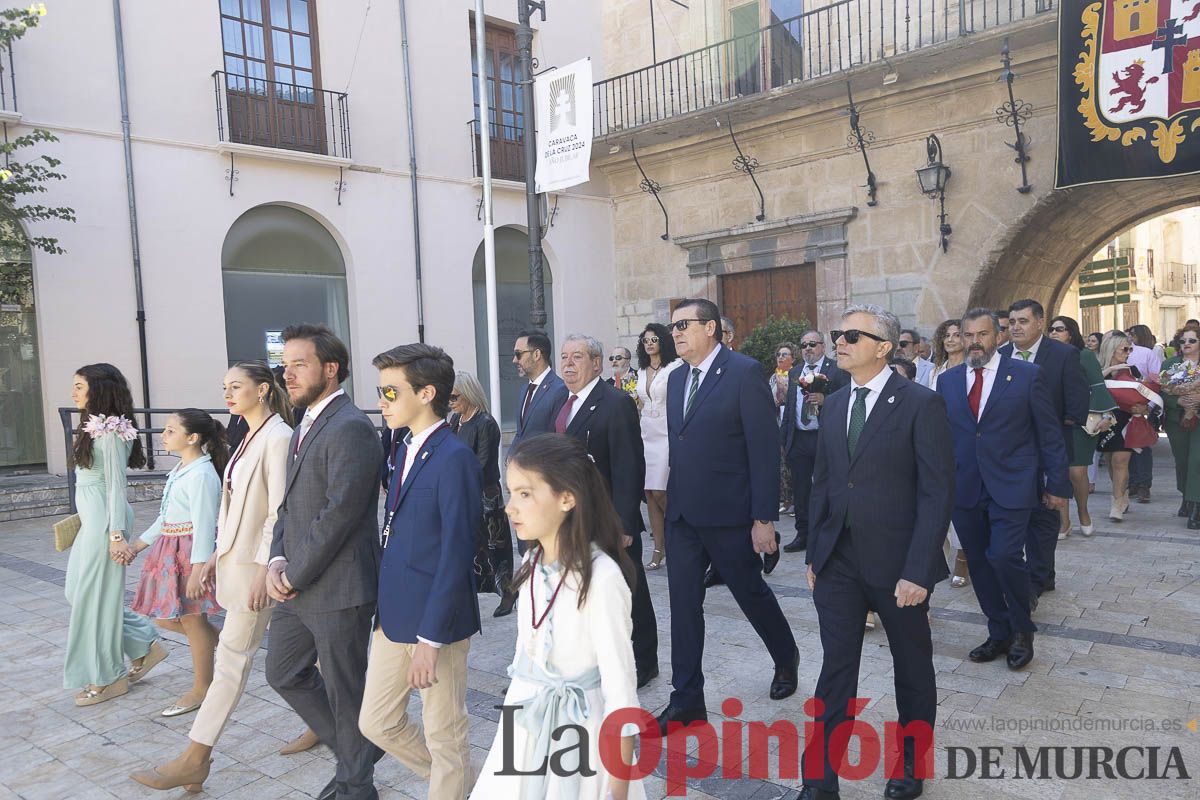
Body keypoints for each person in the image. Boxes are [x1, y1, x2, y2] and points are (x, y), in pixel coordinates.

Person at [801, 305, 954, 800]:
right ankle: (819, 781)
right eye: (836, 334)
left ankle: (911, 764)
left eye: (851, 335)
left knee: (911, 667)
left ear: (884, 347)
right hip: (839, 562)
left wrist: (918, 571)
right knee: (836, 670)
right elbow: (823, 483)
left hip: (899, 566)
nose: (838, 342)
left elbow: (936, 493)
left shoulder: (918, 403)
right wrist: (815, 555)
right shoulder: (835, 404)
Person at [130, 362, 294, 793]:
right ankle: (326, 726)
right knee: (298, 663)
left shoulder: (278, 436)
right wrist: (208, 563)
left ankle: (194, 758)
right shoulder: (245, 434)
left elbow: (279, 512)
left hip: (256, 575)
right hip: (233, 567)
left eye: (235, 386)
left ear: (262, 390)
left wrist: (264, 567)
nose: (227, 393)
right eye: (224, 386)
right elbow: (230, 508)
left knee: (232, 665)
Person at [471, 434, 645, 800]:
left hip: (582, 736)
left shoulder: (601, 578)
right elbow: (525, 657)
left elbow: (622, 693)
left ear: (567, 497)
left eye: (525, 494)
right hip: (526, 727)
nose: (509, 507)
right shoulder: (529, 563)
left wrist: (619, 790)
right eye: (510, 493)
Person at [655, 299, 799, 735]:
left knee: (750, 592)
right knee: (683, 606)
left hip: (729, 514)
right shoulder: (677, 378)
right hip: (683, 514)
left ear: (712, 328)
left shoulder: (743, 372)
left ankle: (785, 656)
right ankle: (686, 701)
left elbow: (762, 450)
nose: (675, 333)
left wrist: (763, 518)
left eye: (684, 325)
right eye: (672, 326)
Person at [265, 324, 383, 800]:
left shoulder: (351, 426)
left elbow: (340, 513)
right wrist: (276, 557)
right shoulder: (305, 423)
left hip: (338, 588)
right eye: (285, 365)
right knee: (283, 671)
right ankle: (358, 752)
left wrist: (294, 572)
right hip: (297, 583)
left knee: (345, 691)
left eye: (299, 364)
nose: (287, 374)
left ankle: (357, 787)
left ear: (330, 369)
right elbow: (290, 505)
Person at [359, 344, 481, 800]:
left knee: (445, 737)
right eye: (381, 390)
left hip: (437, 624)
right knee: (376, 721)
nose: (382, 401)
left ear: (427, 393)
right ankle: (468, 782)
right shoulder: (402, 445)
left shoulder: (454, 458)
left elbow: (456, 553)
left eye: (391, 391)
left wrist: (431, 640)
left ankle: (455, 782)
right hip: (393, 616)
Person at [937, 309, 1070, 672]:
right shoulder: (947, 382)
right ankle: (998, 632)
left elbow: (1049, 434)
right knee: (978, 563)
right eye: (968, 335)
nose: (974, 342)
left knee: (1004, 556)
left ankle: (1022, 631)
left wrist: (1057, 485)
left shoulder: (1027, 376)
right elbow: (943, 438)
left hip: (1013, 485)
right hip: (965, 488)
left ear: (998, 337)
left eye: (982, 334)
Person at [557, 334, 659, 688]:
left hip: (610, 519)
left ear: (597, 363)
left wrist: (626, 520)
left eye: (578, 357)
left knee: (630, 590)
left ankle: (645, 660)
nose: (568, 364)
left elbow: (630, 465)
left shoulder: (614, 403)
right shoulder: (562, 402)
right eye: (564, 357)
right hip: (573, 518)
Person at [63, 364, 164, 706]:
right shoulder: (93, 428)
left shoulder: (110, 431)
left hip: (108, 526)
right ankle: (142, 644)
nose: (73, 393)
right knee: (77, 593)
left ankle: (109, 677)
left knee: (93, 601)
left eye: (79, 386)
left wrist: (117, 535)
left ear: (98, 390)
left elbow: (116, 487)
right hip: (93, 524)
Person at [127, 410, 225, 718]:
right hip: (170, 551)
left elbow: (206, 524)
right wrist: (138, 545)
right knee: (167, 618)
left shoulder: (202, 474)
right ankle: (224, 650)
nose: (163, 435)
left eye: (171, 431)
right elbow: (166, 517)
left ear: (192, 438)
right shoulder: (183, 469)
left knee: (192, 619)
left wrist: (198, 570)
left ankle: (202, 687)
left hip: (188, 554)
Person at [1001, 299, 1088, 599]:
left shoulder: (1063, 355)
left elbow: (1077, 401)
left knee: (1045, 513)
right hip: (1009, 455)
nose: (1016, 327)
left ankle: (1038, 576)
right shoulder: (998, 357)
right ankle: (1036, 573)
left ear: (1040, 323)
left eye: (1023, 321)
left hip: (1048, 450)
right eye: (1012, 321)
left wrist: (1055, 430)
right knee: (1015, 514)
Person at [449, 371, 516, 617]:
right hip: (462, 493)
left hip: (485, 496)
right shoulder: (456, 421)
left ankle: (508, 593)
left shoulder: (485, 423)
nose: (451, 402)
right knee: (467, 548)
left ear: (468, 395)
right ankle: (468, 595)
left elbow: (484, 463)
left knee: (495, 548)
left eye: (454, 397)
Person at [1047, 317, 1117, 539]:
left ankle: (1084, 511)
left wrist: (1106, 415)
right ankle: (1064, 522)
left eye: (1060, 329)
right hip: (1054, 420)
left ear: (1071, 332)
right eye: (1051, 329)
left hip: (1081, 421)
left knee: (1077, 472)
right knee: (1059, 472)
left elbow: (1098, 385)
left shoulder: (1084, 355)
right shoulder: (1046, 356)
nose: (1054, 333)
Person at [781, 330, 849, 554]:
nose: (808, 348)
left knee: (827, 486)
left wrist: (825, 400)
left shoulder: (836, 370)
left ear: (822, 346)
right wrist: (785, 440)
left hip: (825, 437)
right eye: (803, 345)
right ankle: (803, 534)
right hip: (799, 438)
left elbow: (847, 401)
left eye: (812, 344)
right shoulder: (795, 372)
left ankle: (828, 532)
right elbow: (790, 407)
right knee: (801, 490)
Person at [1097, 331, 1162, 523]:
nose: (1128, 353)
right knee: (1109, 460)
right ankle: (1121, 494)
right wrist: (1109, 371)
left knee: (1120, 461)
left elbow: (1143, 392)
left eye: (1130, 349)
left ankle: (1116, 503)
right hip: (1103, 420)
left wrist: (1143, 406)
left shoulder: (1131, 370)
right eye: (1125, 349)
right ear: (1111, 349)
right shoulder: (1096, 367)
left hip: (1126, 419)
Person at [635, 322, 682, 571]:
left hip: (666, 431)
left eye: (654, 339)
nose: (650, 344)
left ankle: (681, 534)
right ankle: (658, 549)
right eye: (646, 340)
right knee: (650, 493)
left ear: (663, 341)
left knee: (662, 490)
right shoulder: (641, 370)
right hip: (646, 432)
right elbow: (641, 401)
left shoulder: (675, 367)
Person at [1160, 324, 1200, 528]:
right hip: (1177, 421)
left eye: (1192, 340)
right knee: (1183, 461)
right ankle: (1186, 495)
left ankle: (1196, 507)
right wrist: (1180, 402)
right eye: (1183, 341)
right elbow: (1164, 392)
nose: (1186, 344)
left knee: (1197, 460)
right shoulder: (1170, 364)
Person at [510, 329, 568, 454]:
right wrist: (510, 456)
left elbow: (557, 439)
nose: (514, 360)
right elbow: (521, 432)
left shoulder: (560, 390)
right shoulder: (524, 390)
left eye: (518, 354)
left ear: (536, 355)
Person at [1126, 324, 1162, 503]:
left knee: (1143, 446)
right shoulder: (1112, 354)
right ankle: (1130, 483)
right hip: (1121, 408)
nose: (1129, 337)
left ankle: (1143, 485)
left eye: (1131, 334)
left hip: (1142, 406)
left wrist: (1148, 407)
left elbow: (1158, 380)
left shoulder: (1147, 354)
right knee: (1123, 447)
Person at [771, 341, 797, 515]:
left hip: (791, 422)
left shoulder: (796, 376)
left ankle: (797, 501)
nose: (781, 357)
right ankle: (786, 500)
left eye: (785, 354)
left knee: (792, 463)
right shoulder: (774, 377)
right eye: (779, 355)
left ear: (793, 358)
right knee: (781, 464)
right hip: (776, 421)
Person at [924, 319, 965, 388]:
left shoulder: (971, 370)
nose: (950, 340)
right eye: (947, 335)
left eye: (957, 335)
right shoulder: (935, 372)